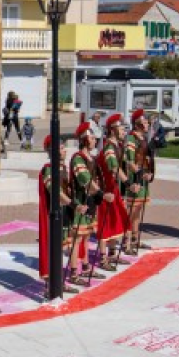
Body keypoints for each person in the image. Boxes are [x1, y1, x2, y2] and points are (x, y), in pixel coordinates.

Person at [37, 135, 78, 297]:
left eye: (63, 147)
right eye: (60, 148)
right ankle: (50, 285)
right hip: (52, 214)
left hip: (64, 213)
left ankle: (60, 281)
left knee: (62, 248)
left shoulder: (63, 168)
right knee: (53, 249)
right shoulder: (49, 168)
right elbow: (54, 190)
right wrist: (71, 203)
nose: (64, 150)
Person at [67, 122, 104, 286]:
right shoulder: (77, 158)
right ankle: (74, 272)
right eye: (92, 137)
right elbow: (85, 179)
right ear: (85, 139)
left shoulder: (91, 157)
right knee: (77, 238)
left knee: (87, 235)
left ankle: (87, 266)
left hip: (91, 202)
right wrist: (99, 192)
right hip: (79, 202)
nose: (95, 140)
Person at [95, 114, 132, 269]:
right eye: (121, 127)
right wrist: (128, 183)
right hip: (105, 191)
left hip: (113, 189)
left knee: (116, 220)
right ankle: (103, 258)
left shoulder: (117, 146)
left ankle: (111, 254)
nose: (124, 129)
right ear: (112, 130)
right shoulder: (109, 148)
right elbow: (114, 169)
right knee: (105, 223)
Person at [122, 109, 155, 255]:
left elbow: (147, 159)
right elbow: (129, 161)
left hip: (142, 178)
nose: (147, 123)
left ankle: (135, 238)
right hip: (133, 179)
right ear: (137, 124)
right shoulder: (131, 139)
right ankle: (126, 241)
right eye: (144, 121)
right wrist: (140, 173)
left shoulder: (143, 138)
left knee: (138, 209)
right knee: (131, 211)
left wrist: (149, 173)